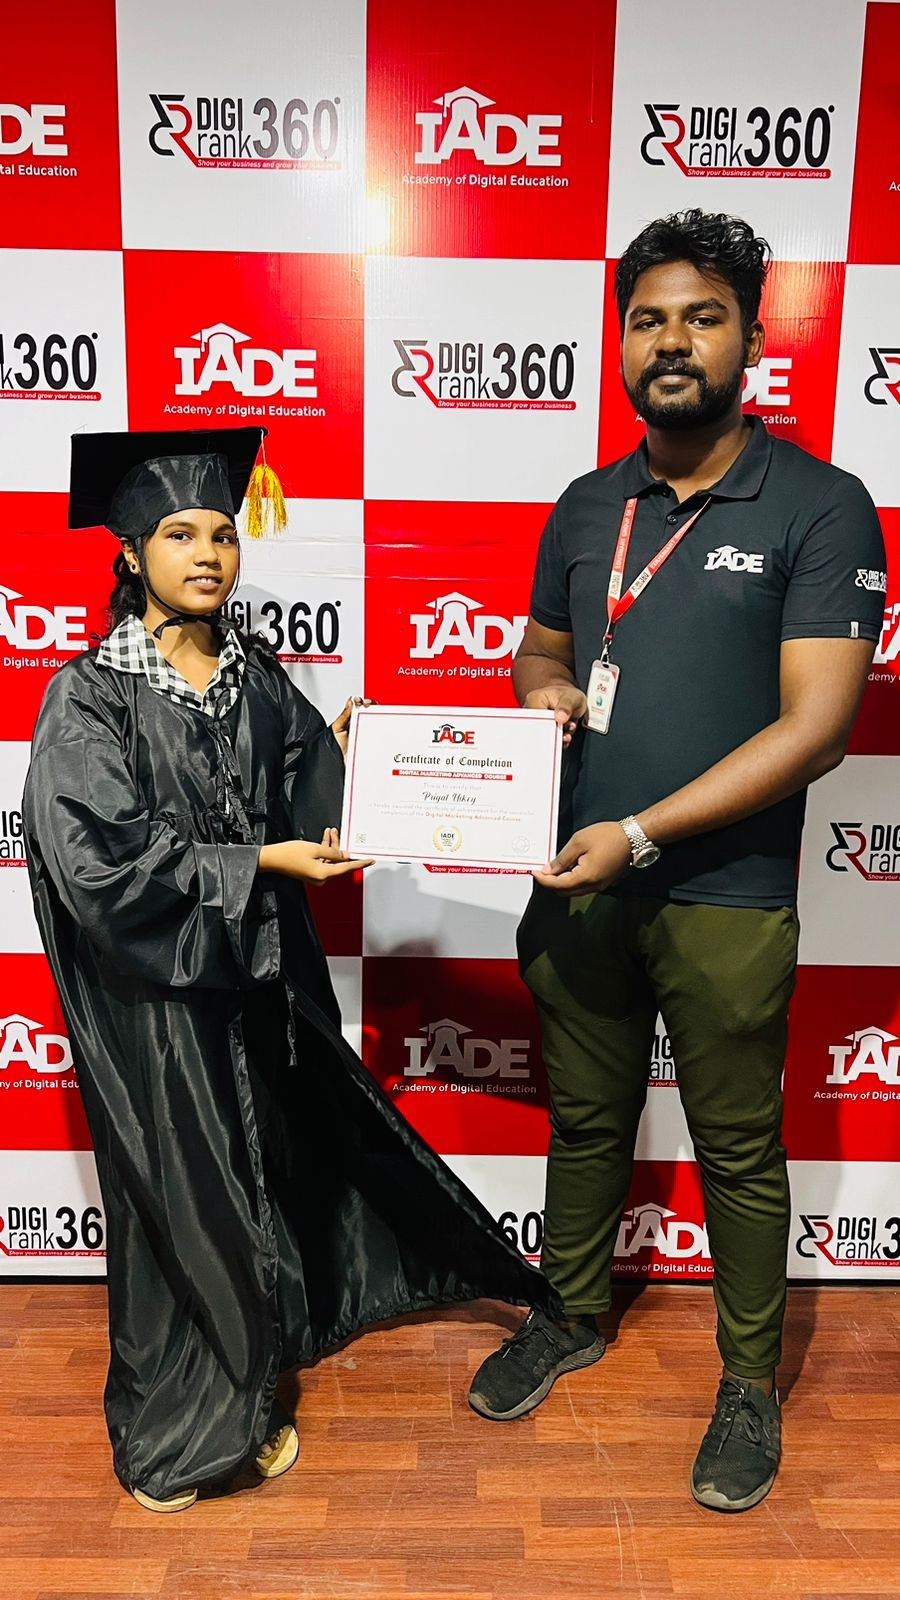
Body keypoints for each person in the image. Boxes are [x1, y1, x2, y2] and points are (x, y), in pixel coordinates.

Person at [23, 426, 558, 1513]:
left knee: (268, 1164)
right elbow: (97, 863)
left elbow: (320, 794)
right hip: (160, 999)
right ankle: (185, 1438)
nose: (208, 554)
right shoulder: (90, 694)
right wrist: (256, 861)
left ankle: (267, 1346)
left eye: (222, 534)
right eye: (180, 535)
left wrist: (369, 762)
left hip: (260, 981)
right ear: (130, 552)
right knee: (188, 1195)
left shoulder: (253, 675)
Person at [468, 210, 887, 1512]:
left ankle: (748, 1383)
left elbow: (818, 726)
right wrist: (543, 693)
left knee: (738, 1149)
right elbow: (543, 649)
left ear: (751, 339)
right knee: (587, 1119)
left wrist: (645, 831)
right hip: (577, 881)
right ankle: (572, 1312)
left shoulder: (822, 505)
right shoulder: (587, 505)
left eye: (703, 317)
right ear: (620, 342)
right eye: (647, 318)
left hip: (725, 895)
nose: (672, 341)